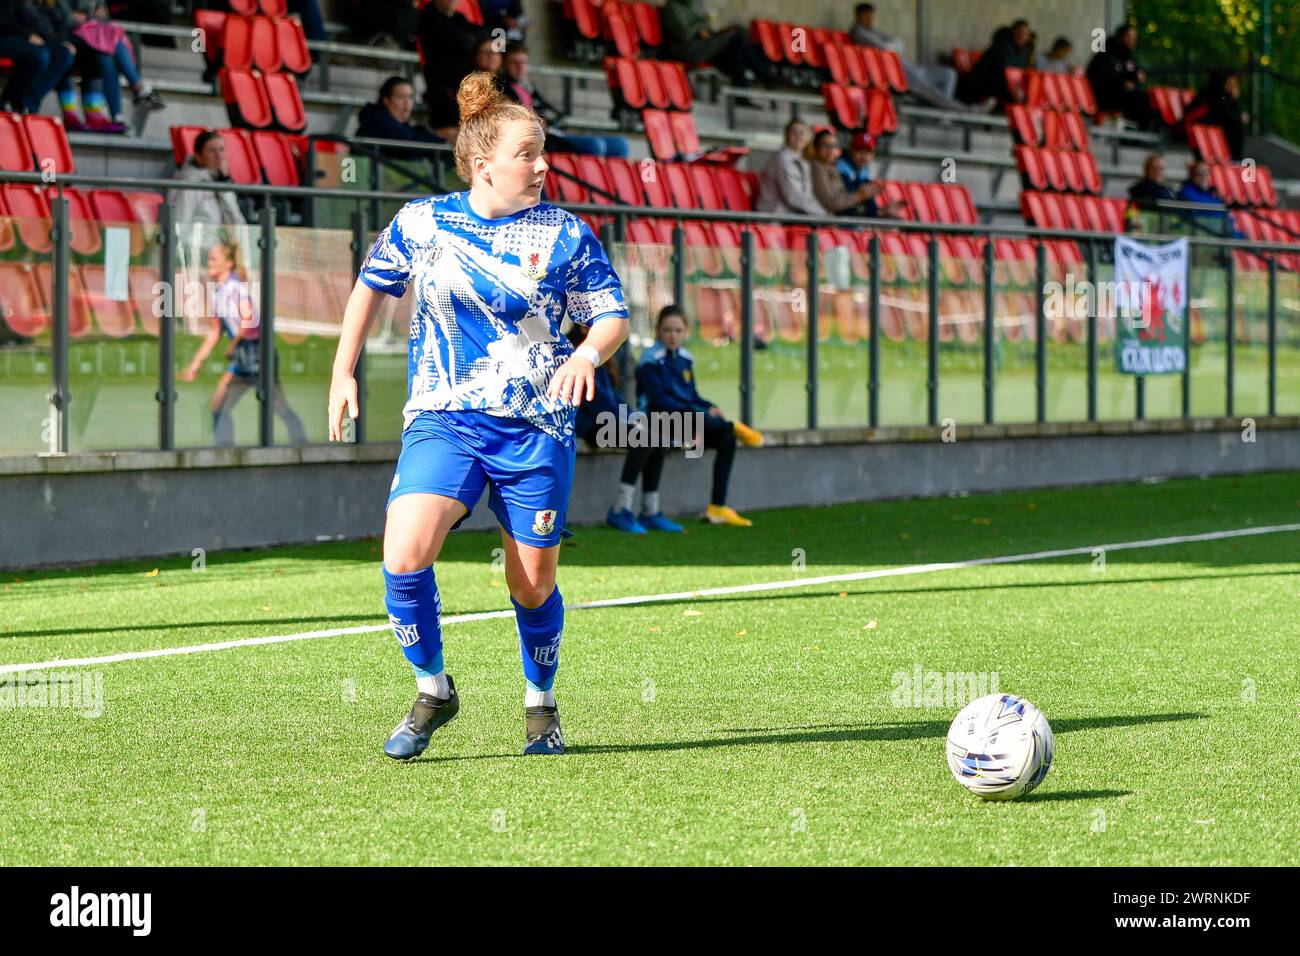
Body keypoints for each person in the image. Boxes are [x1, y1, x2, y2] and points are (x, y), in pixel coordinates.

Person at [327, 72, 631, 760]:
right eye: (528, 154)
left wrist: (587, 354)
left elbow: (611, 316)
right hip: (446, 416)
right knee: (404, 552)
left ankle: (540, 705)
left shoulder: (565, 233)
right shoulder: (422, 222)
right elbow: (368, 289)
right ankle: (433, 689)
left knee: (532, 582)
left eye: (543, 151)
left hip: (536, 426)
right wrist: (342, 372)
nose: (542, 164)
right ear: (483, 163)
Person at [608, 305, 763, 534]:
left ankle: (717, 507)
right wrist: (699, 411)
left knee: (725, 437)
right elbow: (660, 401)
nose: (673, 335)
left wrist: (710, 407)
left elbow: (692, 396)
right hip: (656, 419)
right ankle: (625, 510)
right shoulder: (650, 360)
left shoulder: (685, 359)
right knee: (673, 428)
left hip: (682, 421)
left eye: (678, 330)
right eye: (668, 330)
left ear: (686, 332)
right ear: (658, 331)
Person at [179, 238, 308, 447]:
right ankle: (225, 451)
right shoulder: (217, 293)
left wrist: (234, 342)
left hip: (258, 353)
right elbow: (215, 332)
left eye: (213, 259)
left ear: (228, 264)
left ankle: (302, 445)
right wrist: (196, 363)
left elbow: (249, 318)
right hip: (242, 356)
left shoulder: (235, 287)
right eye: (208, 259)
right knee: (217, 406)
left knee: (280, 408)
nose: (209, 263)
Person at [496, 42, 628, 158]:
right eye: (515, 63)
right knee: (595, 146)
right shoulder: (502, 87)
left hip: (553, 133)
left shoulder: (527, 86)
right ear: (504, 64)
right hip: (540, 140)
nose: (520, 67)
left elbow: (547, 110)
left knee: (620, 145)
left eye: (523, 62)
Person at [61, 2, 164, 132]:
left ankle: (117, 116)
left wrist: (95, 16)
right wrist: (80, 17)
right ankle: (140, 87)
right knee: (109, 40)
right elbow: (58, 16)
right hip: (67, 37)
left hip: (90, 38)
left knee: (107, 52)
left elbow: (102, 18)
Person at [849, 3, 968, 113]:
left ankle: (947, 114)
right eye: (866, 16)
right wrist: (892, 47)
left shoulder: (874, 31)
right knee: (932, 91)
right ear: (858, 15)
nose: (870, 19)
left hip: (909, 66)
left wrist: (892, 47)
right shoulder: (859, 33)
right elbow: (886, 48)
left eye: (872, 16)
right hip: (896, 71)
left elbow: (899, 44)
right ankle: (964, 110)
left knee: (949, 74)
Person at [660, 0, 771, 99]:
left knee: (736, 48)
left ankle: (742, 93)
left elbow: (702, 25)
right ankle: (764, 73)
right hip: (686, 50)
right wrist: (700, 28)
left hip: (700, 46)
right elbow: (685, 34)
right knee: (736, 39)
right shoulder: (671, 7)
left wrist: (703, 27)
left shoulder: (690, 7)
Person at [417, 0, 483, 140]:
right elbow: (463, 42)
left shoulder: (458, 18)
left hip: (461, 85)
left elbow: (482, 33)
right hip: (441, 87)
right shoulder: (428, 16)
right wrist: (471, 41)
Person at [0, 0, 75, 114]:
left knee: (63, 54)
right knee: (40, 56)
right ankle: (9, 98)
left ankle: (28, 104)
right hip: (6, 36)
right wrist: (26, 35)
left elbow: (40, 23)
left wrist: (59, 42)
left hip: (28, 38)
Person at [170, 131, 247, 226]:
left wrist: (224, 185)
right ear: (199, 157)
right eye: (211, 151)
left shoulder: (221, 183)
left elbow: (238, 224)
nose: (219, 156)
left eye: (222, 149)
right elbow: (177, 225)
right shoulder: (188, 186)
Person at [355, 76, 444, 155]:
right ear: (386, 100)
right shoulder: (377, 122)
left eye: (410, 97)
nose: (407, 103)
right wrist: (442, 140)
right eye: (401, 97)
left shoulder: (403, 126)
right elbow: (409, 144)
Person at [756, 119, 828, 216]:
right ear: (786, 136)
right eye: (794, 132)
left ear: (808, 138)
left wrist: (823, 214)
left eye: (802, 132)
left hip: (794, 215)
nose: (798, 136)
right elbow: (792, 197)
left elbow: (808, 196)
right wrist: (822, 215)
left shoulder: (804, 163)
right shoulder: (781, 159)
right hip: (775, 215)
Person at [1086, 24, 1152, 127]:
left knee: (1147, 97)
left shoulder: (1129, 55)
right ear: (1120, 37)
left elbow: (1136, 72)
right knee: (1136, 98)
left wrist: (1139, 76)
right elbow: (1099, 78)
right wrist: (1121, 83)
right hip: (1104, 96)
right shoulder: (1105, 54)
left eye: (1134, 38)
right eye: (1129, 37)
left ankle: (1142, 131)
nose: (1132, 41)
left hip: (1126, 94)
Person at [956, 19, 1031, 105]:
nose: (1021, 35)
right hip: (977, 89)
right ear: (1012, 32)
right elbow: (1002, 75)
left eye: (1025, 34)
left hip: (995, 89)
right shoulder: (1002, 47)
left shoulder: (1022, 52)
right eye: (1019, 31)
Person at [836, 131, 906, 218]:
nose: (863, 156)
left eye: (868, 152)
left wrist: (883, 211)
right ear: (851, 150)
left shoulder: (863, 171)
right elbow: (847, 207)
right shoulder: (841, 167)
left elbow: (869, 205)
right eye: (859, 150)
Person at [809, 128, 874, 215]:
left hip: (840, 219)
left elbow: (843, 198)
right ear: (816, 147)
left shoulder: (832, 167)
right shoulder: (817, 168)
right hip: (828, 220)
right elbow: (832, 202)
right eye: (825, 145)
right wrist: (860, 195)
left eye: (834, 146)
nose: (830, 150)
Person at [1184, 71, 1246, 160]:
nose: (1232, 86)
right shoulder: (1215, 93)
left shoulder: (1223, 95)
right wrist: (1239, 115)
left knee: (1235, 125)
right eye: (1229, 83)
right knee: (1235, 126)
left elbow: (1230, 114)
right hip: (1199, 121)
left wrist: (1234, 99)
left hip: (1209, 121)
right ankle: (1235, 159)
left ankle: (1235, 159)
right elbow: (1227, 114)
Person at [1175, 160, 1242, 237]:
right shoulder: (1186, 191)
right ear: (1192, 175)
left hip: (1219, 230)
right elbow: (1202, 205)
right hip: (1200, 231)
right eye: (1199, 174)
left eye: (1205, 173)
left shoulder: (1212, 193)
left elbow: (1224, 211)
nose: (1202, 177)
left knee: (1243, 237)